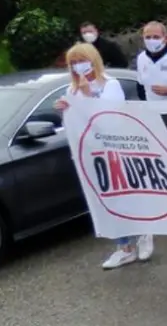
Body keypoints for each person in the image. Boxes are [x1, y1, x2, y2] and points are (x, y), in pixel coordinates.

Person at [53, 43, 140, 269]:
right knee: (106, 199)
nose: (77, 66)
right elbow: (75, 122)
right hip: (91, 152)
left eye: (81, 60)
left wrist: (88, 94)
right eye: (73, 63)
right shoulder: (72, 89)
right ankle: (124, 247)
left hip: (115, 149)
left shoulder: (110, 84)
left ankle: (144, 232)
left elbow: (111, 116)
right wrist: (65, 107)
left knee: (126, 196)